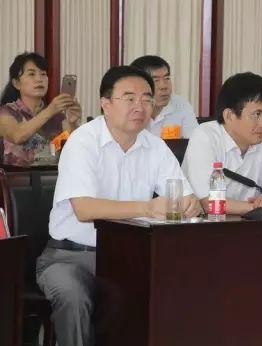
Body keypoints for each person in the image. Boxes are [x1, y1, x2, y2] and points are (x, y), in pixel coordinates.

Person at [35, 66, 201, 346]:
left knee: (175, 290)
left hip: (130, 257)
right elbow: (85, 209)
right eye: (129, 98)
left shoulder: (155, 147)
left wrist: (189, 204)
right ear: (106, 103)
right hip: (70, 256)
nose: (140, 106)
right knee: (73, 297)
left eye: (146, 99)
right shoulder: (83, 141)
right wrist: (147, 208)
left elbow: (184, 196)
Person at [182, 72, 262, 215]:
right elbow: (209, 203)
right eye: (257, 115)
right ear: (229, 115)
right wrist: (257, 209)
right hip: (204, 223)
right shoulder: (205, 136)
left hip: (250, 223)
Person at [0, 52, 82, 166]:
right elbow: (17, 135)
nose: (39, 79)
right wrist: (50, 110)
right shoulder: (6, 112)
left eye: (43, 74)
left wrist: (72, 123)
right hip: (17, 176)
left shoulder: (58, 117)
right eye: (31, 74)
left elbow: (74, 151)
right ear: (16, 83)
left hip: (52, 176)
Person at [130, 55, 198, 139]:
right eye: (155, 80)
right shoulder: (127, 108)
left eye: (167, 78)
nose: (164, 86)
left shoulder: (181, 104)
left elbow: (195, 141)